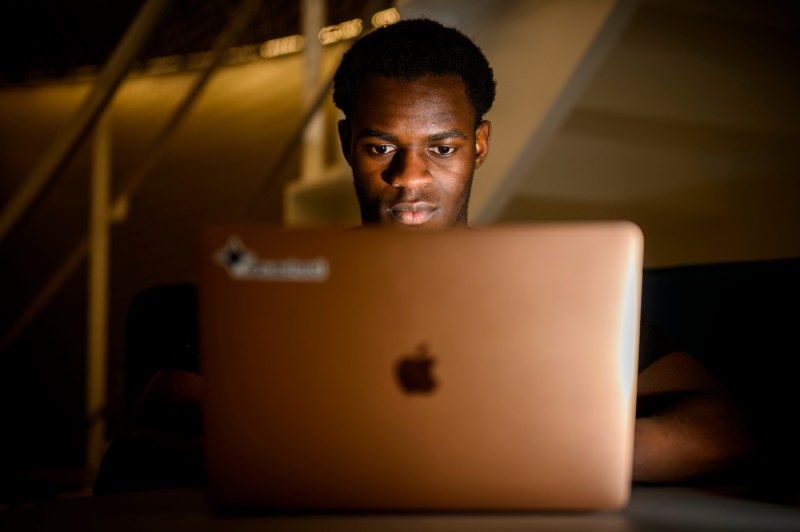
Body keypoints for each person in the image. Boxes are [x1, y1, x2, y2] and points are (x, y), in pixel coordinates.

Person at [94, 17, 752, 494]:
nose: (409, 178)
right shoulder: (279, 283)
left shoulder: (548, 289)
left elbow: (723, 431)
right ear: (350, 144)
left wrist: (514, 452)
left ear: (480, 145)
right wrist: (320, 455)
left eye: (442, 147)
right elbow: (142, 443)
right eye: (382, 147)